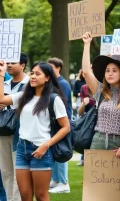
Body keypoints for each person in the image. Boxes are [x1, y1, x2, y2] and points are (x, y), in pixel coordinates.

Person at [0, 62, 70, 201]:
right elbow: (1, 99)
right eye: (32, 73)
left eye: (38, 74)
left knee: (41, 195)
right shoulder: (23, 96)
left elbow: (66, 127)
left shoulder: (54, 99)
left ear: (47, 78)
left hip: (42, 150)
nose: (33, 76)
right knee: (25, 194)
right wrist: (1, 74)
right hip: (22, 148)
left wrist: (46, 146)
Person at [82, 32, 120, 156]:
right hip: (98, 140)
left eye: (114, 70)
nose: (110, 73)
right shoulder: (101, 91)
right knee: (94, 176)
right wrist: (87, 44)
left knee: (119, 176)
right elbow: (87, 72)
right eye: (107, 70)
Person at [0, 53, 29, 201]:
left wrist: (5, 102)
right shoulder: (3, 83)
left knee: (20, 172)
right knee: (5, 171)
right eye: (8, 62)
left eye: (13, 62)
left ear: (23, 65)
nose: (9, 65)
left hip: (21, 133)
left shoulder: (30, 83)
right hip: (3, 131)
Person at [47, 58, 72, 194]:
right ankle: (56, 180)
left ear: (58, 68)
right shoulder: (55, 83)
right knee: (55, 151)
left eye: (51, 67)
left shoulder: (62, 84)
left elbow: (60, 104)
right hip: (56, 124)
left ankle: (64, 182)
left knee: (62, 152)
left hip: (62, 124)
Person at [76, 84, 96, 166]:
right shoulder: (84, 88)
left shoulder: (104, 87)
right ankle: (84, 160)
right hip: (89, 125)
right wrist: (83, 104)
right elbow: (80, 113)